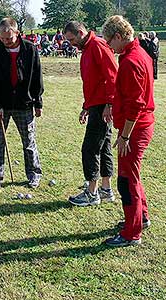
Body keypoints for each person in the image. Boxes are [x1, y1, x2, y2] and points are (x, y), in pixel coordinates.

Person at [102, 15, 155, 247]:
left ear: (118, 36)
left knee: (126, 180)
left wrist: (124, 135)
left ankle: (131, 233)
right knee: (132, 176)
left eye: (109, 41)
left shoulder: (132, 60)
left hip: (135, 128)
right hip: (138, 125)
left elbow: (136, 103)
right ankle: (141, 217)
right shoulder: (136, 54)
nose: (109, 47)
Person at [0, 17, 44, 196]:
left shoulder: (30, 49)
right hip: (1, 105)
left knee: (29, 142)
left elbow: (37, 77)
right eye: (2, 38)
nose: (6, 42)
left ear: (17, 32)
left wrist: (37, 102)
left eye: (9, 38)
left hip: (24, 104)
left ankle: (34, 174)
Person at [63, 21, 118, 207]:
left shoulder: (98, 45)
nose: (71, 44)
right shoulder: (87, 48)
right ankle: (106, 189)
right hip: (96, 104)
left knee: (90, 148)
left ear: (80, 32)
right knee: (103, 147)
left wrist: (110, 103)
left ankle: (92, 193)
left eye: (71, 39)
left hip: (103, 105)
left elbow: (112, 75)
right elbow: (92, 81)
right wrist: (86, 106)